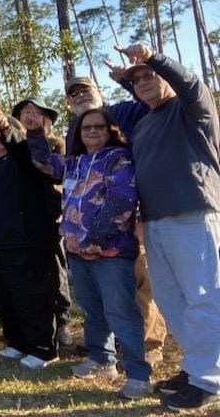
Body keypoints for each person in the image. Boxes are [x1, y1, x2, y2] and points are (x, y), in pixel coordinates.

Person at [113, 43, 220, 412]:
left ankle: (210, 379)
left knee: (203, 297)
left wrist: (152, 57)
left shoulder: (193, 108)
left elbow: (188, 83)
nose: (143, 81)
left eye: (149, 75)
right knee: (174, 301)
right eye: (136, 80)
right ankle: (195, 368)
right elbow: (145, 92)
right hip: (156, 221)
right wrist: (133, 80)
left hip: (193, 214)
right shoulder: (146, 121)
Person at [28, 108, 150, 399]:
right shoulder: (74, 163)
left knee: (121, 313)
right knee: (93, 310)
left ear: (110, 131)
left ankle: (139, 375)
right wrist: (34, 132)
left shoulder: (118, 159)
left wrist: (96, 238)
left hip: (110, 251)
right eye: (86, 128)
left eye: (98, 127)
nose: (92, 131)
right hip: (77, 251)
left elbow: (121, 200)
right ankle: (102, 360)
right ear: (78, 134)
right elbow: (44, 162)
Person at [63, 75, 165, 363]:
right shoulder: (75, 129)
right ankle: (105, 349)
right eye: (73, 94)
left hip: (138, 212)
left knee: (139, 285)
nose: (80, 95)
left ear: (99, 91)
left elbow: (151, 104)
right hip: (89, 231)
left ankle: (148, 348)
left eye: (85, 90)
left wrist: (127, 80)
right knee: (102, 297)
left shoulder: (123, 111)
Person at [0, 107, 61, 370]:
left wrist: (10, 130)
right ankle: (18, 341)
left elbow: (23, 151)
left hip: (23, 241)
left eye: (4, 133)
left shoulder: (26, 162)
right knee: (4, 296)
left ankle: (43, 348)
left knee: (30, 297)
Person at [12, 96, 72, 347]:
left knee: (55, 268)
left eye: (35, 111)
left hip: (49, 214)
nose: (29, 115)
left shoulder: (55, 143)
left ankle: (63, 320)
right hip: (24, 216)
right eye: (24, 112)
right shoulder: (16, 145)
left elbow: (48, 168)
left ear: (46, 118)